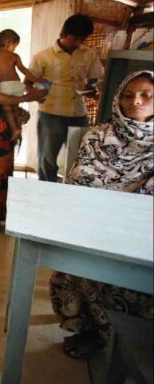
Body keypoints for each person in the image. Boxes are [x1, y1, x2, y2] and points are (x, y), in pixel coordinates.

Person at [49, 70, 153, 359]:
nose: (137, 101)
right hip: (93, 222)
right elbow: (82, 181)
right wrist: (129, 189)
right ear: (119, 98)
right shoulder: (98, 136)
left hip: (140, 232)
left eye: (146, 95)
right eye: (130, 94)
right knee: (79, 263)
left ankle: (130, 343)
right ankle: (91, 331)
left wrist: (116, 192)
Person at [0, 35, 48, 231]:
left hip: (2, 132)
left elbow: (9, 99)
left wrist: (21, 112)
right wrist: (28, 97)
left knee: (4, 174)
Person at [26, 13, 104, 182]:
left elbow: (95, 78)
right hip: (51, 114)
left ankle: (72, 191)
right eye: (74, 38)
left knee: (82, 157)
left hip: (79, 114)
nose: (78, 43)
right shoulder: (43, 57)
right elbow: (28, 82)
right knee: (47, 159)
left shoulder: (89, 54)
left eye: (82, 39)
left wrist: (90, 87)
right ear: (62, 34)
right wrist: (34, 94)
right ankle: (47, 191)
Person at [0, 29, 49, 141]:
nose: (14, 49)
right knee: (16, 109)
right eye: (14, 46)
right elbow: (24, 70)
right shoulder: (14, 56)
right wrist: (37, 79)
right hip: (17, 84)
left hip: (4, 86)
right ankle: (18, 129)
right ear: (8, 43)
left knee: (8, 110)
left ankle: (15, 129)